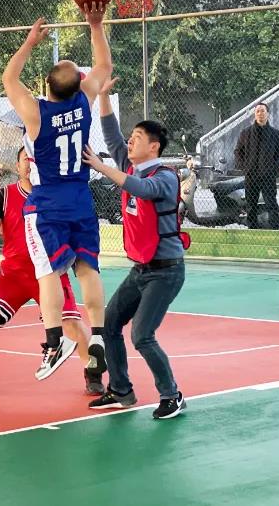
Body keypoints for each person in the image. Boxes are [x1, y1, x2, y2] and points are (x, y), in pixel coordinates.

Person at [2, 4, 112, 380]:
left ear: (47, 87)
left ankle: (55, 341)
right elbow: (104, 65)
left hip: (47, 201)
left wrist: (30, 42)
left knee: (47, 271)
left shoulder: (37, 114)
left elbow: (9, 78)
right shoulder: (84, 102)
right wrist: (95, 25)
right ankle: (98, 336)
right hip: (80, 197)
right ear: (78, 83)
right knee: (87, 268)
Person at [0, 148, 106, 397]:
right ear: (18, 166)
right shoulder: (4, 195)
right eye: (26, 160)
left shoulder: (56, 197)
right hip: (14, 271)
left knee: (73, 324)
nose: (31, 164)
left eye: (35, 160)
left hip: (51, 271)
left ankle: (93, 373)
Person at [84, 77, 189, 419]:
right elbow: (111, 133)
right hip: (141, 269)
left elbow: (142, 189)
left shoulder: (166, 177)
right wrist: (103, 96)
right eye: (131, 137)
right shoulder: (129, 165)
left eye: (138, 138)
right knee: (110, 324)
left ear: (154, 147)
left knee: (142, 335)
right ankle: (121, 390)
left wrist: (100, 167)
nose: (130, 141)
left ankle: (172, 395)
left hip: (166, 271)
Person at [233, 102, 279, 229]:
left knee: (271, 204)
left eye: (263, 111)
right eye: (257, 111)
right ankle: (252, 229)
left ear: (268, 114)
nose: (260, 113)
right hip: (251, 176)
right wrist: (245, 168)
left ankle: (274, 229)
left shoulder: (276, 134)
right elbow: (238, 152)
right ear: (254, 115)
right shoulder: (246, 133)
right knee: (251, 205)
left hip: (268, 177)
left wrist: (273, 169)